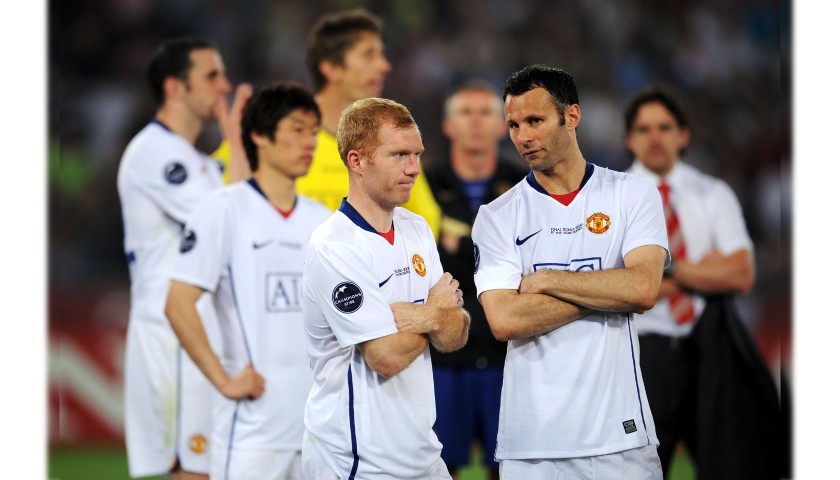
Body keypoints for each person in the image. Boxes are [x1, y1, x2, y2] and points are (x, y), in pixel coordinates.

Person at [471, 64, 667, 479]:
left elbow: (644, 289)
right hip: (532, 447)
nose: (523, 137)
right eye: (513, 125)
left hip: (620, 439)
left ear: (572, 116)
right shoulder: (497, 217)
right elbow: (505, 319)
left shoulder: (631, 194)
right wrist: (607, 292)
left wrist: (546, 281)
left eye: (535, 121)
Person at [165, 82, 331, 480]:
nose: (309, 141)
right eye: (296, 129)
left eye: (313, 131)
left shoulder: (324, 219)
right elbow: (177, 302)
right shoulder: (224, 209)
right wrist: (223, 381)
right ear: (258, 135)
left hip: (321, 430)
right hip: (253, 434)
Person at [301, 97, 471, 479]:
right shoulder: (334, 246)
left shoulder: (417, 229)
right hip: (356, 458)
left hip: (423, 453)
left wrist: (418, 317)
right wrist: (434, 313)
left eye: (417, 154)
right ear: (357, 161)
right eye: (398, 155)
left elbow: (457, 332)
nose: (414, 169)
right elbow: (386, 358)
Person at [624, 86, 782, 479]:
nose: (655, 137)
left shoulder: (713, 193)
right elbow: (619, 291)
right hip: (642, 355)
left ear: (684, 135)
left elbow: (741, 275)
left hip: (709, 348)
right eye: (644, 129)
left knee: (728, 465)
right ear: (629, 139)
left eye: (665, 127)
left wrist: (667, 274)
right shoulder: (612, 200)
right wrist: (702, 272)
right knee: (640, 470)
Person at [116, 36, 236, 479]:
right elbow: (229, 220)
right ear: (174, 87)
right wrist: (237, 140)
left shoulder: (198, 161)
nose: (223, 85)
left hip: (198, 330)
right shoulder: (154, 153)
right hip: (172, 332)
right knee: (191, 469)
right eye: (211, 75)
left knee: (205, 466)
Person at [425, 80, 527, 480]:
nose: (475, 122)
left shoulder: (525, 186)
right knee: (436, 469)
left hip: (508, 356)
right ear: (448, 125)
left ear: (502, 125)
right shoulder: (421, 187)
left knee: (511, 469)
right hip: (441, 358)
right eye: (464, 113)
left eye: (485, 112)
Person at [296, 8, 442, 238]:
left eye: (381, 55)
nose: (384, 66)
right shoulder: (278, 136)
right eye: (368, 55)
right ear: (331, 68)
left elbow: (425, 221)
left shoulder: (394, 141)